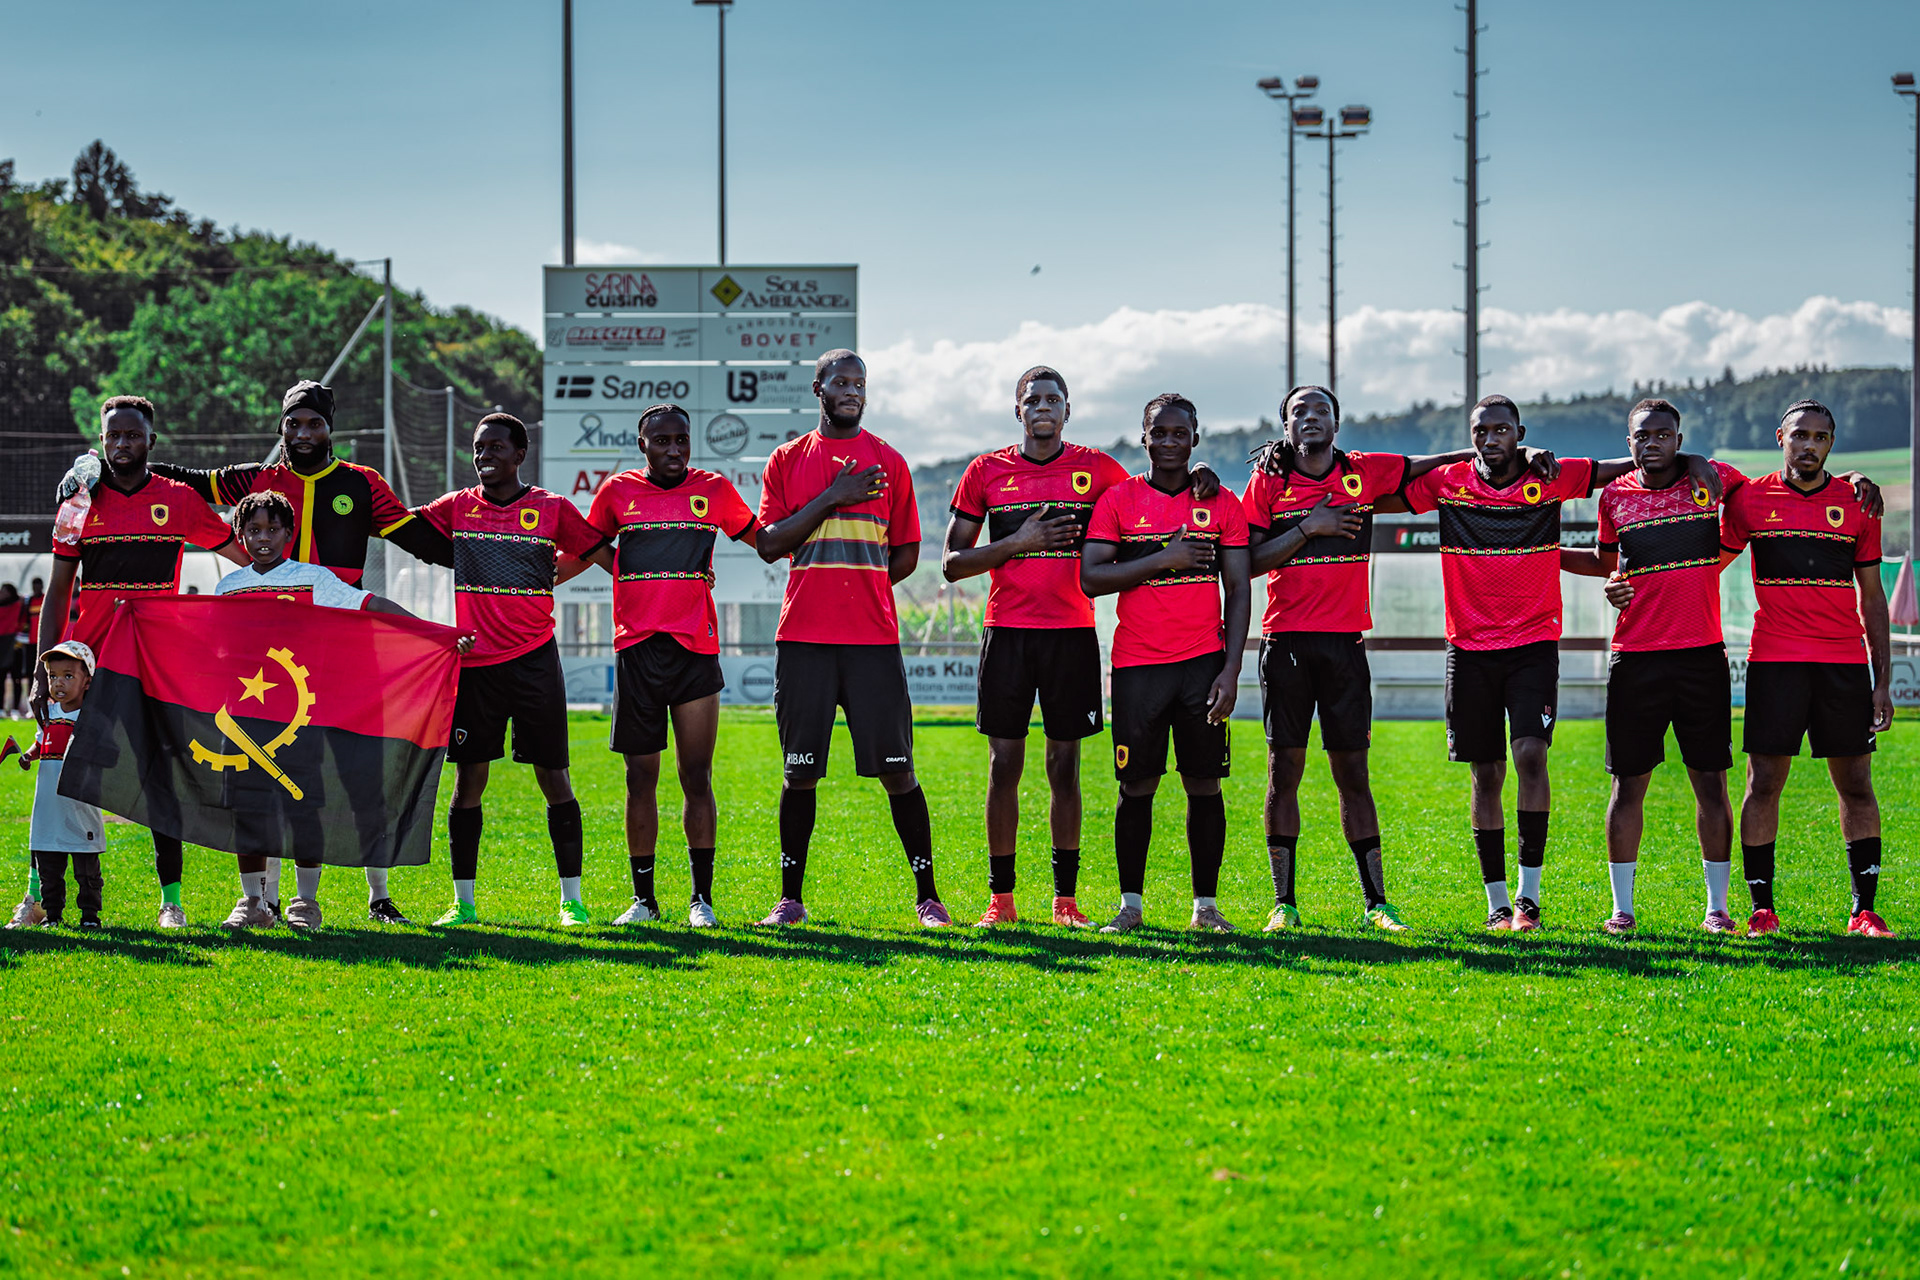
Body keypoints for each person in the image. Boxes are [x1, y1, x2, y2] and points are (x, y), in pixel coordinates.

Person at [133, 379, 453, 923]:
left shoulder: (361, 483)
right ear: (281, 426)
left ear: (331, 427)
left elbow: (418, 540)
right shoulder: (257, 482)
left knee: (354, 769)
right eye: (294, 423)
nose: (303, 433)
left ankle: (378, 896)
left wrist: (488, 559)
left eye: (314, 423)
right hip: (265, 665)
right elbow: (190, 480)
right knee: (268, 769)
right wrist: (100, 462)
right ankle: (268, 897)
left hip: (343, 646)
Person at [1399, 394, 1721, 932]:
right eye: (1482, 430)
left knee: (1529, 754)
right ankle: (1496, 903)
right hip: (1469, 647)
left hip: (1533, 642)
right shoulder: (1447, 482)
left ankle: (1528, 898)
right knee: (1486, 773)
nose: (1491, 438)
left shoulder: (1551, 476)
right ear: (1471, 434)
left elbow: (1629, 466)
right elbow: (1388, 489)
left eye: (1503, 429)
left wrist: (1693, 462)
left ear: (1519, 432)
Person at [1243, 385, 1557, 934]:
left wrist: (1522, 456)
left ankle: (1376, 903)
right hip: (1285, 641)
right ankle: (1284, 903)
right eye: (1299, 412)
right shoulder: (1268, 479)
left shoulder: (1364, 472)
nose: (1311, 419)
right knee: (1283, 772)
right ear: (1285, 425)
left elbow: (1431, 465)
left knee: (1354, 776)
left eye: (1321, 411)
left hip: (1345, 644)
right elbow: (1245, 561)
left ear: (1338, 424)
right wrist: (1306, 528)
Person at [942, 367, 1223, 928]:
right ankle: (1001, 900)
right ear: (1016, 409)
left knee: (1065, 766)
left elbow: (1153, 488)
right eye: (1032, 399)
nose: (1042, 407)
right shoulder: (986, 471)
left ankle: (1065, 901)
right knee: (1004, 766)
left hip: (1071, 634)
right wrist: (1019, 542)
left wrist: (1198, 474)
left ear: (1068, 410)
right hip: (1008, 631)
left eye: (1053, 399)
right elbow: (952, 563)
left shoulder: (1097, 470)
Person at [753, 349, 950, 928]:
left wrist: (859, 585)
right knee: (801, 771)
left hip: (871, 641)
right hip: (805, 640)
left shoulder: (890, 461)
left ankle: (928, 897)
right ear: (817, 388)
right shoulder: (788, 460)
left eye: (860, 382)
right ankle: (790, 899)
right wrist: (833, 497)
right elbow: (770, 543)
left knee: (898, 770)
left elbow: (909, 552)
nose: (852, 390)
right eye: (840, 381)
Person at [37, 396, 246, 928]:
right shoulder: (79, 501)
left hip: (155, 659)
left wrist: (295, 588)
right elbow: (59, 591)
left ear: (152, 441)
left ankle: (171, 902)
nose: (123, 444)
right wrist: (46, 669)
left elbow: (244, 556)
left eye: (133, 436)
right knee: (56, 780)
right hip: (86, 664)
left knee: (160, 780)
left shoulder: (179, 500)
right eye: (114, 436)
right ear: (102, 440)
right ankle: (37, 897)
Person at [211, 491, 444, 930]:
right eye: (254, 530)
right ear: (241, 535)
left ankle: (305, 903)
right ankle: (253, 903)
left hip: (300, 715)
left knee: (305, 805)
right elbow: (214, 645)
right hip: (244, 716)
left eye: (273, 530)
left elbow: (369, 605)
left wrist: (430, 631)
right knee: (249, 809)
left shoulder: (314, 579)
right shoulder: (228, 586)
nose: (263, 538)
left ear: (288, 532)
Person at [418, 414, 610, 928]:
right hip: (475, 665)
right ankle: (463, 903)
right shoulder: (458, 507)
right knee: (468, 782)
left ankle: (571, 900)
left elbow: (599, 554)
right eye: (479, 448)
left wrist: (558, 574)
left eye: (496, 447)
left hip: (533, 661)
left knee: (554, 778)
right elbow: (403, 526)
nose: (485, 456)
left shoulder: (550, 508)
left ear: (520, 455)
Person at [1720, 400, 1895, 937]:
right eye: (1800, 435)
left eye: (1821, 437)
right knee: (1763, 781)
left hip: (1843, 663)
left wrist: (1882, 680)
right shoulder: (1750, 499)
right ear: (1781, 437)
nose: (1810, 445)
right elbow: (1705, 565)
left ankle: (1863, 910)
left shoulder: (1857, 502)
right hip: (1776, 660)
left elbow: (1873, 597)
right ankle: (1761, 909)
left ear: (1831, 445)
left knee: (1857, 786)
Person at [578, 403, 757, 928]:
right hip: (636, 650)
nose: (674, 449)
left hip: (695, 651)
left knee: (696, 777)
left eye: (682, 440)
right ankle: (644, 900)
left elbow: (761, 539)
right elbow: (590, 547)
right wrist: (629, 571)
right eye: (662, 441)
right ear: (643, 444)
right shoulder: (616, 493)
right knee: (640, 779)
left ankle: (701, 900)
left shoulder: (715, 490)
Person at [1081, 393, 1251, 934]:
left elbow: (1240, 590)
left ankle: (1206, 906)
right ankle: (1130, 906)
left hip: (1203, 666)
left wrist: (1231, 669)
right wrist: (1164, 559)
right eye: (1161, 432)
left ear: (1195, 438)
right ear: (1145, 437)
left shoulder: (1223, 503)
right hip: (1137, 668)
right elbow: (1091, 578)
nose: (1171, 441)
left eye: (1182, 433)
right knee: (1137, 788)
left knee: (1204, 786)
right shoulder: (1118, 501)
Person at [10, 642, 106, 928]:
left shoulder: (91, 718)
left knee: (86, 868)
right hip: (48, 807)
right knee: (49, 866)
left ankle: (90, 916)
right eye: (53, 676)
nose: (58, 683)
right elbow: (41, 741)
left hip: (80, 805)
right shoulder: (48, 714)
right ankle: (53, 916)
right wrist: (28, 755)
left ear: (87, 682)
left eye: (68, 676)